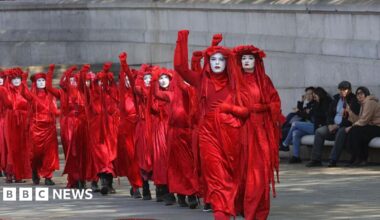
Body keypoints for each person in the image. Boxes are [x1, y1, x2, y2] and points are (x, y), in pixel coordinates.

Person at [174, 30, 249, 220]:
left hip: (232, 134)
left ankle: (231, 205)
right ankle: (220, 212)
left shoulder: (236, 83)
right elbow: (181, 68)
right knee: (214, 174)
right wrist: (182, 40)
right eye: (213, 59)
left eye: (221, 59)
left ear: (227, 62)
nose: (217, 63)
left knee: (231, 175)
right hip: (208, 134)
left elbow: (247, 110)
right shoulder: (201, 80)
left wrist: (229, 109)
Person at [233, 45, 285, 219]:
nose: (247, 61)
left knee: (260, 173)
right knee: (242, 171)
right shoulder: (235, 80)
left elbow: (275, 102)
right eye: (244, 58)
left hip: (261, 132)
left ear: (257, 61)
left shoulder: (264, 80)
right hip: (241, 130)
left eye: (250, 58)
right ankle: (242, 205)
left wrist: (262, 107)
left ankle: (257, 210)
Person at [46, 66, 88, 188]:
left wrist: (83, 71)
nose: (73, 82)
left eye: (75, 80)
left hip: (80, 124)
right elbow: (49, 87)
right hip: (68, 125)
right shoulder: (62, 93)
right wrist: (51, 73)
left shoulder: (82, 93)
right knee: (71, 152)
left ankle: (81, 178)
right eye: (71, 80)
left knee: (81, 152)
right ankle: (73, 178)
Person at [306, 81, 360, 167]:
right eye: (340, 90)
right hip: (332, 126)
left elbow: (351, 119)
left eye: (344, 90)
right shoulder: (336, 99)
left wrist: (338, 126)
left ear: (349, 90)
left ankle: (333, 159)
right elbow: (329, 114)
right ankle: (316, 159)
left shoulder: (354, 100)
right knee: (319, 132)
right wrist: (330, 124)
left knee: (341, 132)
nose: (342, 91)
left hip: (344, 126)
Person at [21, 65, 60, 185]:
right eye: (39, 80)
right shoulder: (32, 96)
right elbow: (24, 93)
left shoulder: (51, 95)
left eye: (43, 80)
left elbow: (55, 110)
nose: (42, 82)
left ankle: (48, 176)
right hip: (36, 128)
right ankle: (34, 171)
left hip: (49, 128)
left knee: (50, 153)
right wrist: (23, 80)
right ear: (35, 83)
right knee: (36, 154)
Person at [117, 52, 143, 198]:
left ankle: (141, 185)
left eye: (130, 78)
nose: (128, 80)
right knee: (132, 159)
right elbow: (123, 83)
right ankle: (136, 186)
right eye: (125, 78)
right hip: (127, 131)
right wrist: (123, 66)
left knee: (140, 159)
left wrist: (126, 67)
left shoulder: (136, 94)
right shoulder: (123, 95)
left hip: (138, 129)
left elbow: (134, 84)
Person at [282, 87, 331, 163]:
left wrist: (308, 112)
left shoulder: (324, 102)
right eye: (307, 94)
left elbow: (315, 114)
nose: (310, 96)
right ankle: (296, 156)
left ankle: (285, 143)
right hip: (311, 125)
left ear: (318, 94)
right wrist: (302, 103)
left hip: (318, 126)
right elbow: (305, 113)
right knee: (296, 133)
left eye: (313, 95)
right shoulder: (314, 103)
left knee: (294, 124)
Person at [0, 68, 31, 183]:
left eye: (18, 78)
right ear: (10, 79)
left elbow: (30, 101)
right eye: (14, 78)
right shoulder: (4, 90)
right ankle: (10, 173)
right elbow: (8, 104)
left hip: (23, 120)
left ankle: (19, 174)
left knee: (22, 147)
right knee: (12, 147)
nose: (17, 80)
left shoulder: (24, 89)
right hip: (11, 120)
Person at [346, 87, 380, 166]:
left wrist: (352, 127)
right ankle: (358, 157)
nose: (359, 95)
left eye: (361, 93)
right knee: (357, 131)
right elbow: (360, 120)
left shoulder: (369, 102)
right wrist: (350, 111)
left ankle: (359, 158)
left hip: (378, 127)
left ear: (366, 93)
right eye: (357, 94)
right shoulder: (363, 103)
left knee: (356, 131)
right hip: (372, 126)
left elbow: (364, 120)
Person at [280, 87, 315, 151]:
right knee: (291, 116)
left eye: (310, 94)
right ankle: (286, 147)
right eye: (307, 94)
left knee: (285, 130)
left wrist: (298, 111)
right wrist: (302, 101)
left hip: (308, 125)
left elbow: (305, 115)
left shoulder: (314, 104)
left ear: (314, 94)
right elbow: (302, 112)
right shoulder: (309, 104)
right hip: (302, 124)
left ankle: (285, 145)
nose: (308, 96)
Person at [0, 70, 7, 177]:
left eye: (1, 78)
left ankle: (5, 167)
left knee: (5, 145)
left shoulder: (8, 91)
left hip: (6, 120)